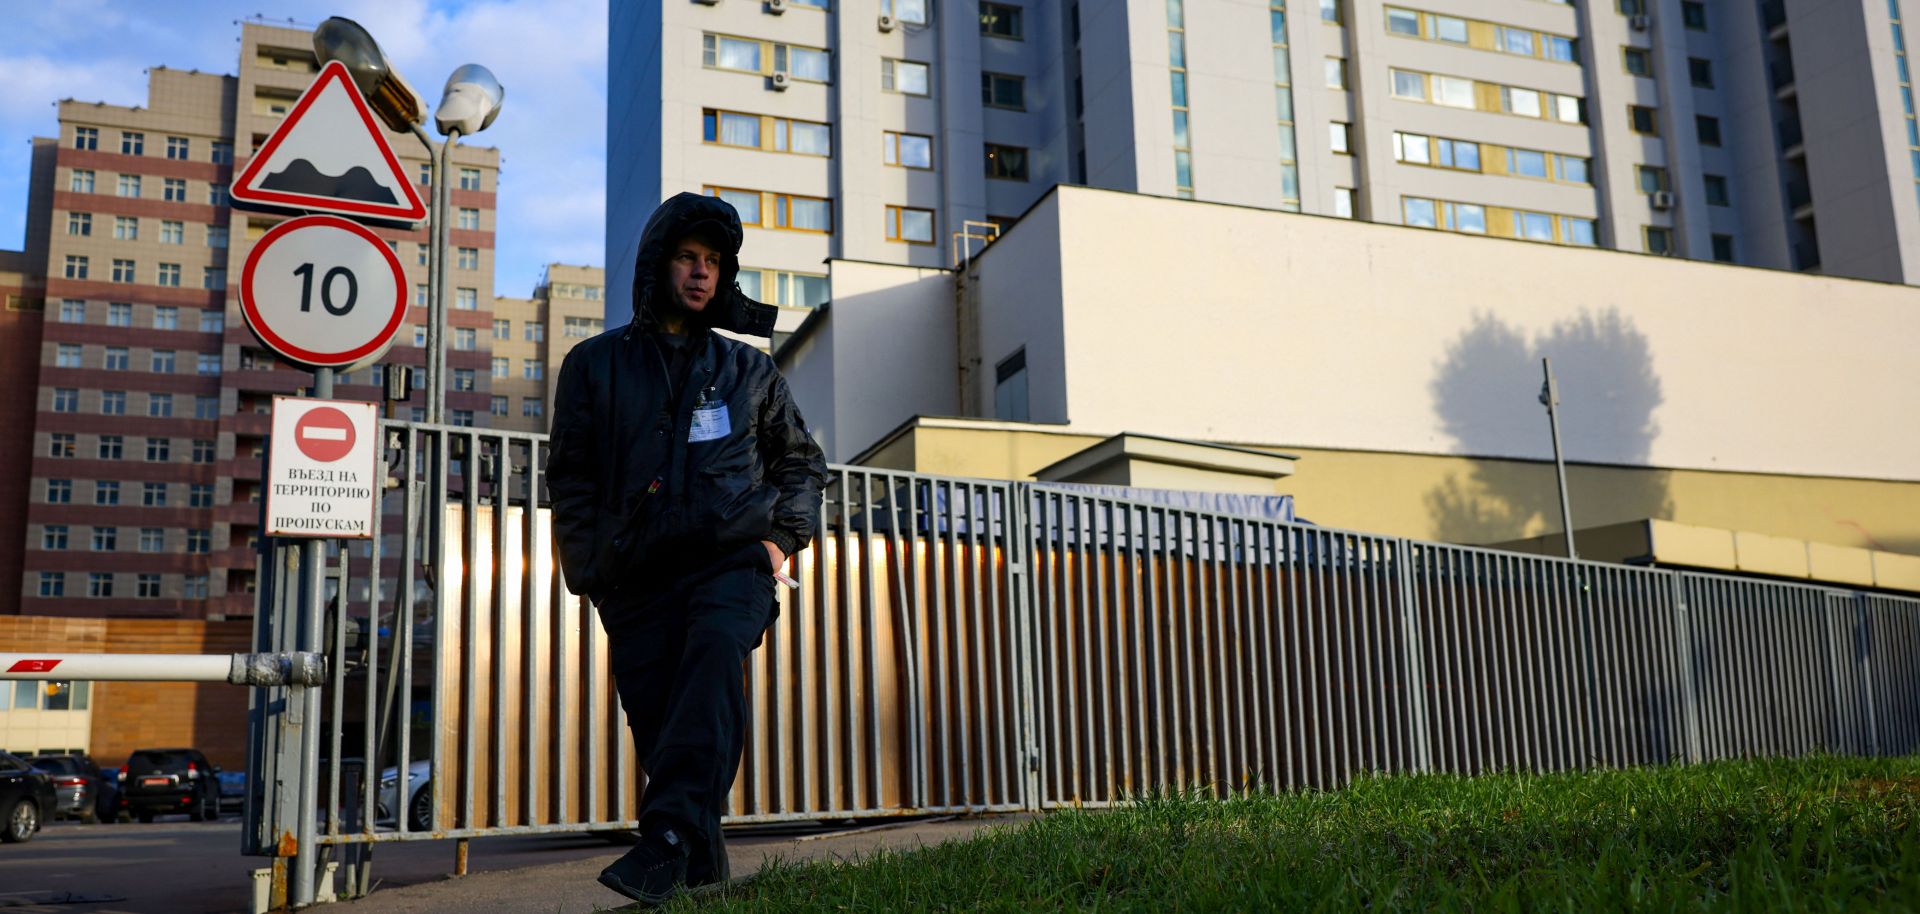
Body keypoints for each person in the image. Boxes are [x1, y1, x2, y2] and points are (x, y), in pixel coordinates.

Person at [547, 192, 828, 906]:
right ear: (658, 265)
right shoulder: (594, 365)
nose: (701, 273)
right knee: (668, 729)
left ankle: (664, 839)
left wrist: (778, 542)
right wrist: (591, 570)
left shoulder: (748, 372)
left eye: (714, 262)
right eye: (688, 257)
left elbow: (801, 463)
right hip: (636, 577)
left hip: (733, 562)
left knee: (712, 659)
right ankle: (700, 873)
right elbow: (571, 475)